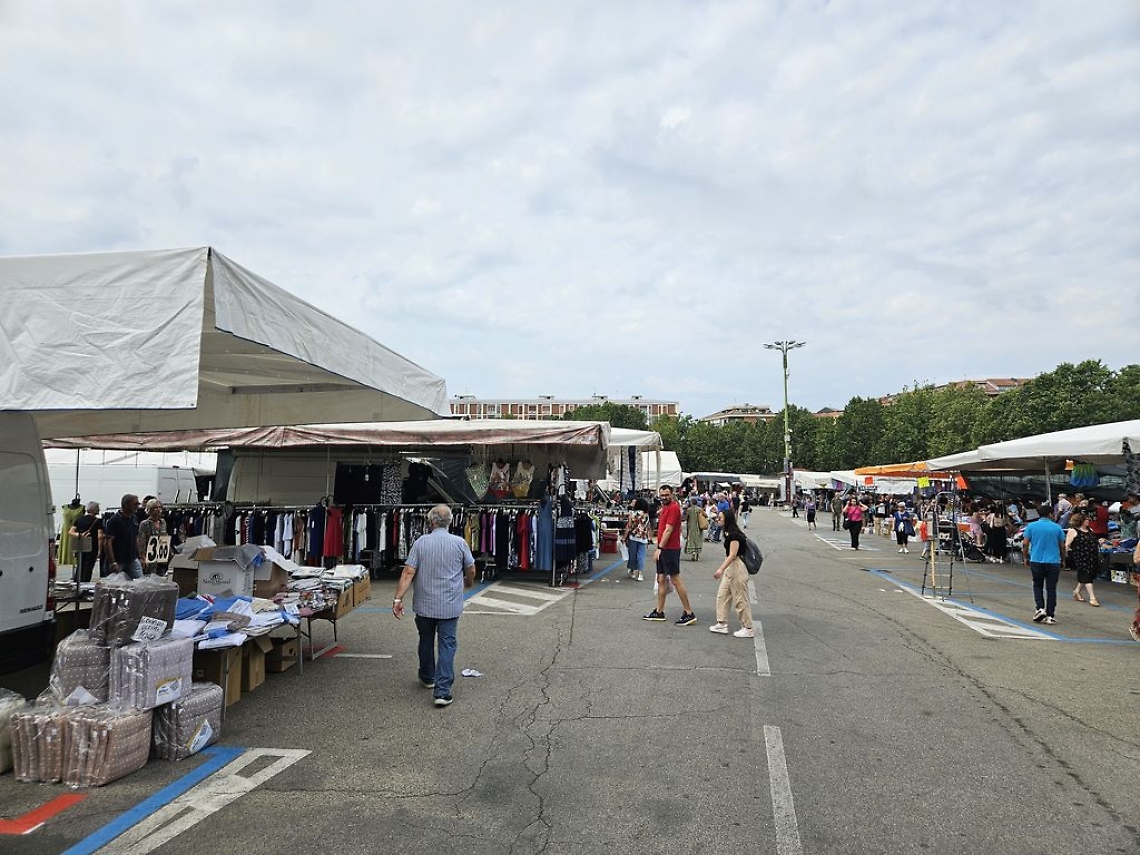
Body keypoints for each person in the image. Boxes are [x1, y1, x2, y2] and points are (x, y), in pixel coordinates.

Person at [392, 505, 476, 707]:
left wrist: (398, 599)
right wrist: (468, 582)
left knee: (426, 639)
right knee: (447, 644)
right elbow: (471, 568)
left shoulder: (421, 543)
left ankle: (427, 676)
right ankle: (443, 691)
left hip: (424, 604)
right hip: (449, 605)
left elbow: (408, 573)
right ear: (451, 521)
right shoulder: (459, 543)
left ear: (431, 522)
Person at [643, 485, 697, 626]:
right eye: (662, 495)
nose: (664, 497)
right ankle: (659, 611)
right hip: (664, 548)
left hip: (670, 549)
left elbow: (669, 529)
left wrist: (660, 548)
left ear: (672, 494)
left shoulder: (673, 508)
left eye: (667, 495)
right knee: (661, 578)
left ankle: (689, 612)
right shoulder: (666, 507)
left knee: (675, 579)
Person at [708, 508, 755, 638]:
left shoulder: (734, 535)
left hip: (736, 566)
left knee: (740, 598)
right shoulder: (729, 532)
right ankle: (722, 623)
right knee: (722, 595)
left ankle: (748, 627)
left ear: (727, 519)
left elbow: (733, 555)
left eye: (720, 518)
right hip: (731, 567)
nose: (717, 519)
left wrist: (720, 569)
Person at [1022, 503, 1066, 625]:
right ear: (1051, 514)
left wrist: (1025, 557)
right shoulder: (1057, 528)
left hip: (1036, 560)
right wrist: (1063, 560)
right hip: (1053, 561)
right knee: (1051, 588)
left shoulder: (1031, 526)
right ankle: (1050, 615)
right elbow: (1062, 546)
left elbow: (1025, 543)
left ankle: (1040, 608)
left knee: (1037, 585)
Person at [1065, 512, 1101, 607]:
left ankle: (1077, 591)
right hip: (1080, 556)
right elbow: (1067, 544)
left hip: (1092, 556)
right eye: (1086, 519)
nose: (1088, 521)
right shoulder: (1073, 531)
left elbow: (1094, 541)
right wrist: (1064, 556)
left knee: (1088, 574)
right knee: (1087, 575)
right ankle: (1092, 598)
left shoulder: (1090, 530)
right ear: (1081, 521)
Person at [103, 494, 142, 579]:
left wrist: (140, 556)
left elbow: (136, 538)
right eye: (135, 504)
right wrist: (112, 562)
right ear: (126, 505)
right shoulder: (114, 520)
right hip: (118, 560)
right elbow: (108, 542)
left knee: (139, 582)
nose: (137, 506)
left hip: (132, 559)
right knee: (115, 585)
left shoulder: (134, 518)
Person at [67, 501, 103, 583]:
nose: (99, 509)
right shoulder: (98, 521)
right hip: (92, 547)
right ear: (94, 510)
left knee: (80, 566)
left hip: (80, 546)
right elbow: (100, 536)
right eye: (98, 508)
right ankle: (85, 584)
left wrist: (80, 535)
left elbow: (70, 532)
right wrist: (100, 550)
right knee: (88, 567)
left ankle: (77, 583)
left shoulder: (80, 519)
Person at [137, 498, 169, 576]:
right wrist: (143, 557)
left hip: (161, 555)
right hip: (150, 554)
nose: (158, 510)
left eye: (159, 507)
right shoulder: (144, 524)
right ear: (150, 510)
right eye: (155, 508)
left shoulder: (163, 522)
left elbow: (165, 537)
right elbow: (141, 540)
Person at [623, 498, 651, 581]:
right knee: (641, 556)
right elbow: (648, 527)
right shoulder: (646, 515)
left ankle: (632, 571)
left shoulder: (632, 513)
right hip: (643, 537)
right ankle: (640, 574)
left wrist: (624, 537)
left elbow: (628, 526)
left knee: (632, 555)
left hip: (633, 536)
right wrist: (649, 537)